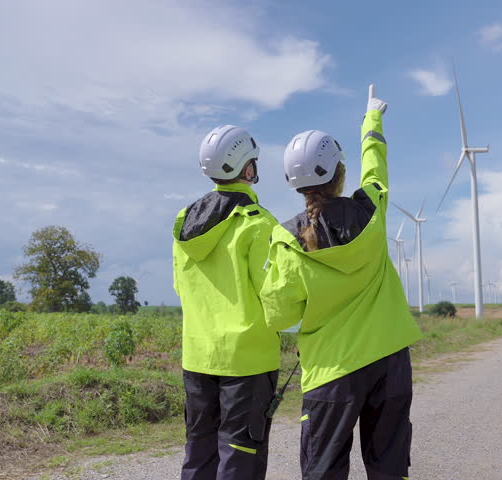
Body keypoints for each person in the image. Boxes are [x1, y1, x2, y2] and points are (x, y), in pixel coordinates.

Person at [260, 86, 422, 479]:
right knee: (390, 467)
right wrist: (372, 120)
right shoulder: (373, 209)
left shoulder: (286, 240)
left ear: (293, 184)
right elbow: (375, 165)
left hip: (331, 373)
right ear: (340, 172)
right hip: (389, 361)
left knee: (323, 470)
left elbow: (278, 315)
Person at [172, 125, 280, 480]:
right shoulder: (259, 224)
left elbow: (179, 285)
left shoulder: (186, 223)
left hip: (197, 355)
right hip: (247, 360)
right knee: (239, 455)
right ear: (246, 169)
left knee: (199, 450)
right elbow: (274, 293)